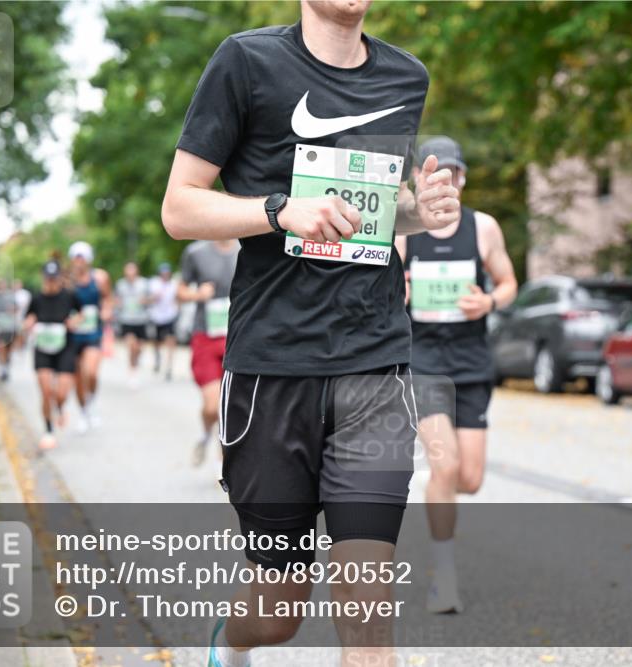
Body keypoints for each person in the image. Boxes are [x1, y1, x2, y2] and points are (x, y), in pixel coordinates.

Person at [161, 2, 460, 665]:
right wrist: (280, 209)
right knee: (277, 614)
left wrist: (420, 212)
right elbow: (179, 207)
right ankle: (229, 642)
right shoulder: (246, 61)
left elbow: (374, 217)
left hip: (373, 368)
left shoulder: (406, 77)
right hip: (273, 368)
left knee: (368, 627)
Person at [395, 136, 518, 614]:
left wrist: (489, 300)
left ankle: (436, 487)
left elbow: (509, 283)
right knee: (445, 467)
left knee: (469, 478)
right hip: (423, 363)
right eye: (433, 174)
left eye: (452, 174)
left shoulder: (483, 229)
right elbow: (380, 291)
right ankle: (444, 577)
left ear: (462, 180)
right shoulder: (405, 232)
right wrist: (396, 292)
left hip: (470, 363)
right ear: (418, 181)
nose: (444, 181)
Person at [177, 239, 239, 466]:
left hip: (237, 335)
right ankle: (205, 434)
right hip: (205, 334)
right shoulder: (196, 252)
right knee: (213, 405)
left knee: (231, 406)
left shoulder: (247, 247)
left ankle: (225, 463)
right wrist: (196, 295)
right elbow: (180, 291)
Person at [22, 261, 83, 450]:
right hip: (42, 346)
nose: (50, 282)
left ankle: (60, 407)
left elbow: (81, 314)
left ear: (58, 278)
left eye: (54, 278)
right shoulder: (36, 298)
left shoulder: (69, 296)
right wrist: (29, 323)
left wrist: (75, 321)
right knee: (46, 390)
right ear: (43, 278)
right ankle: (48, 431)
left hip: (65, 345)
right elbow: (28, 317)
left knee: (61, 392)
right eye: (47, 278)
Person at [67, 241, 112, 433]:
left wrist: (107, 311)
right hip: (73, 335)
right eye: (76, 258)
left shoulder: (100, 278)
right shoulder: (66, 281)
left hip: (93, 332)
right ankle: (83, 412)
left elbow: (108, 298)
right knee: (78, 378)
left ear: (89, 259)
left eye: (82, 257)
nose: (79, 262)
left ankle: (91, 402)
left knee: (91, 372)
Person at [115, 261, 149, 388]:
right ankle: (132, 372)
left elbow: (151, 299)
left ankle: (136, 363)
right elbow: (116, 299)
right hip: (126, 319)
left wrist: (145, 301)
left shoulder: (144, 283)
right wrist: (117, 305)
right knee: (131, 346)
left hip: (141, 319)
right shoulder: (120, 285)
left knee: (139, 348)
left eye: (132, 270)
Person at [147, 262, 180, 381]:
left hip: (170, 316)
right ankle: (157, 357)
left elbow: (178, 297)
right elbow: (147, 299)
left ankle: (169, 368)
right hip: (157, 316)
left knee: (170, 341)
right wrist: (154, 297)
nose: (165, 275)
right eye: (163, 272)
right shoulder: (154, 284)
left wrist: (178, 307)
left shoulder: (173, 284)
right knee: (156, 341)